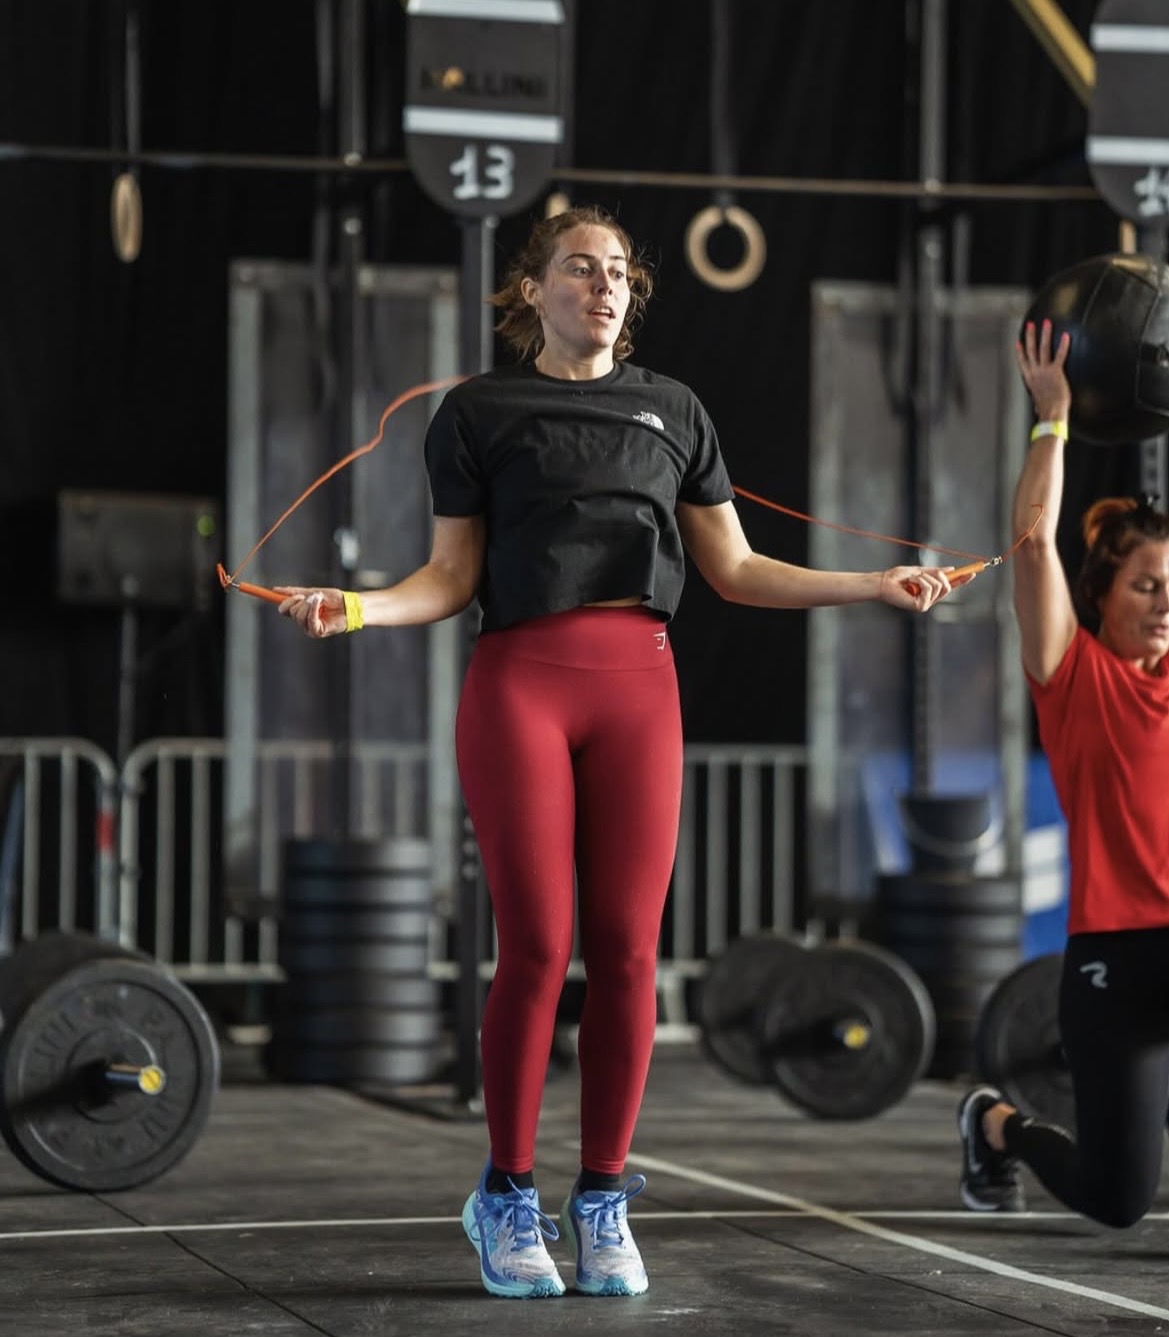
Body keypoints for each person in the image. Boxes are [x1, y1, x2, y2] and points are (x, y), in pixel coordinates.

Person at [276, 203, 962, 1299]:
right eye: (579, 268)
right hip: (520, 685)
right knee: (536, 947)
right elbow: (448, 578)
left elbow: (736, 569)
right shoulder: (476, 411)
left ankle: (600, 1198)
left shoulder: (672, 409)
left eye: (618, 274)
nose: (604, 286)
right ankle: (506, 1193)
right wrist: (353, 608)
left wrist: (873, 584)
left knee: (631, 952)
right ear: (532, 290)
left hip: (639, 685)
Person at [957, 316, 1169, 1225]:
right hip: (1113, 958)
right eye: (1146, 584)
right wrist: (1053, 419)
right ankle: (994, 1122)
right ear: (1103, 594)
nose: (1164, 602)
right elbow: (1033, 541)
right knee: (1115, 1198)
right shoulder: (1071, 672)